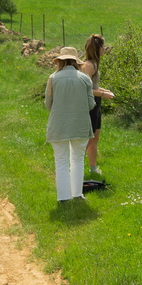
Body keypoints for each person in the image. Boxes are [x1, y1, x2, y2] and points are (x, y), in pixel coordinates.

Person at [44, 47, 95, 202]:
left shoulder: (53, 78)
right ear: (76, 62)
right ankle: (77, 194)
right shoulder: (85, 78)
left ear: (60, 61)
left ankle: (64, 198)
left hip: (58, 125)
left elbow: (48, 104)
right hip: (80, 125)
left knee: (61, 162)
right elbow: (91, 104)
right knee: (78, 159)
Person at [81, 34, 114, 177]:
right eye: (103, 46)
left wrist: (104, 90)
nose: (104, 49)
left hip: (96, 104)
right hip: (90, 105)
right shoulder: (88, 66)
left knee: (95, 138)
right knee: (88, 139)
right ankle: (76, 167)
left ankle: (93, 168)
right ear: (97, 48)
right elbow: (85, 90)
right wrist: (102, 94)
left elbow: (94, 86)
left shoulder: (94, 63)